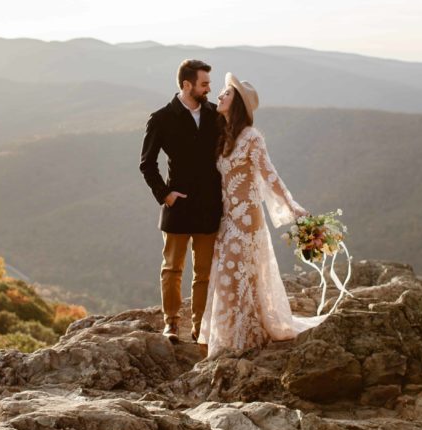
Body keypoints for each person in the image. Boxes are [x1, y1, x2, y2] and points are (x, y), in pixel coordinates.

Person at [197, 73, 325, 358]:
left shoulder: (252, 138)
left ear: (238, 103)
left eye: (226, 94)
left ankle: (238, 338)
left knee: (234, 274)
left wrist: (291, 205)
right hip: (228, 218)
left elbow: (270, 175)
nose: (219, 96)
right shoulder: (225, 135)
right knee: (231, 275)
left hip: (246, 220)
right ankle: (238, 333)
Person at [139, 59, 223, 344]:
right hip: (178, 205)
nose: (209, 89)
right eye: (204, 84)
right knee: (172, 268)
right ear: (187, 85)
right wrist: (165, 194)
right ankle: (171, 323)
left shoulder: (215, 114)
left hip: (210, 205)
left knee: (204, 273)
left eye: (209, 84)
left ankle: (200, 328)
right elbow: (147, 163)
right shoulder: (161, 118)